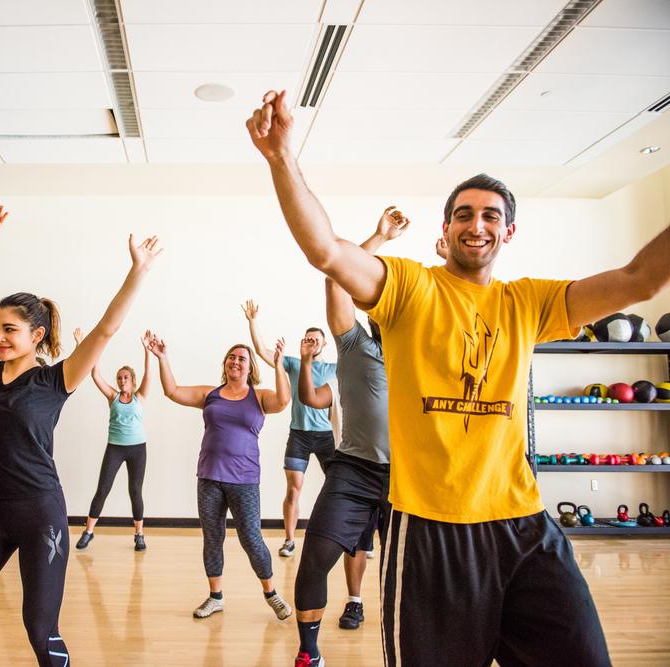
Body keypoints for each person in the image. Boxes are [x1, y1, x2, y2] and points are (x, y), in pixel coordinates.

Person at [246, 88, 669, 665]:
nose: (477, 224)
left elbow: (641, 279)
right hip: (430, 533)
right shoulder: (410, 289)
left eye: (491, 215)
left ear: (508, 233)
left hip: (523, 526)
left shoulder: (530, 303)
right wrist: (281, 159)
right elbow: (325, 251)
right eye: (464, 214)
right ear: (445, 230)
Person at [0, 205, 162, 666]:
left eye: (9, 330)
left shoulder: (57, 380)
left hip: (41, 516)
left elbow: (107, 328)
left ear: (37, 335)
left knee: (39, 631)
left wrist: (138, 271)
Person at [291, 208, 406, 667]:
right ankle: (309, 652)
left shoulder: (421, 350)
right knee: (316, 556)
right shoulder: (357, 345)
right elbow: (334, 275)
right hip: (354, 470)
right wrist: (378, 237)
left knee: (417, 573)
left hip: (410, 476)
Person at [148, 333, 293, 621]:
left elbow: (284, 401)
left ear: (250, 367)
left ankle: (271, 593)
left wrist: (278, 365)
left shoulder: (260, 396)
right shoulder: (210, 394)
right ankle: (215, 597)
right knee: (212, 538)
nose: (236, 361)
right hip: (210, 477)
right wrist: (163, 358)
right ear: (225, 363)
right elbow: (172, 391)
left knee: (251, 538)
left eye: (242, 358)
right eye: (232, 357)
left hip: (245, 480)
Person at [243, 301, 335, 558]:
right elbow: (261, 350)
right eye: (308, 339)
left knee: (339, 486)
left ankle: (343, 539)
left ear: (324, 345)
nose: (312, 342)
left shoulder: (332, 370)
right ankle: (289, 540)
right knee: (294, 488)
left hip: (326, 436)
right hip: (299, 435)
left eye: (316, 340)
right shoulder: (292, 364)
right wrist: (253, 321)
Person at [74, 327, 152, 552]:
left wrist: (146, 350)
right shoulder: (112, 396)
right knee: (102, 489)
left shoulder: (141, 396)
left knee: (135, 491)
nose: (121, 380)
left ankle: (139, 535)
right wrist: (82, 344)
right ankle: (88, 532)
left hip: (137, 449)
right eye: (119, 378)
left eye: (125, 377)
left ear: (133, 380)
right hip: (115, 448)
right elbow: (95, 374)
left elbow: (149, 373)